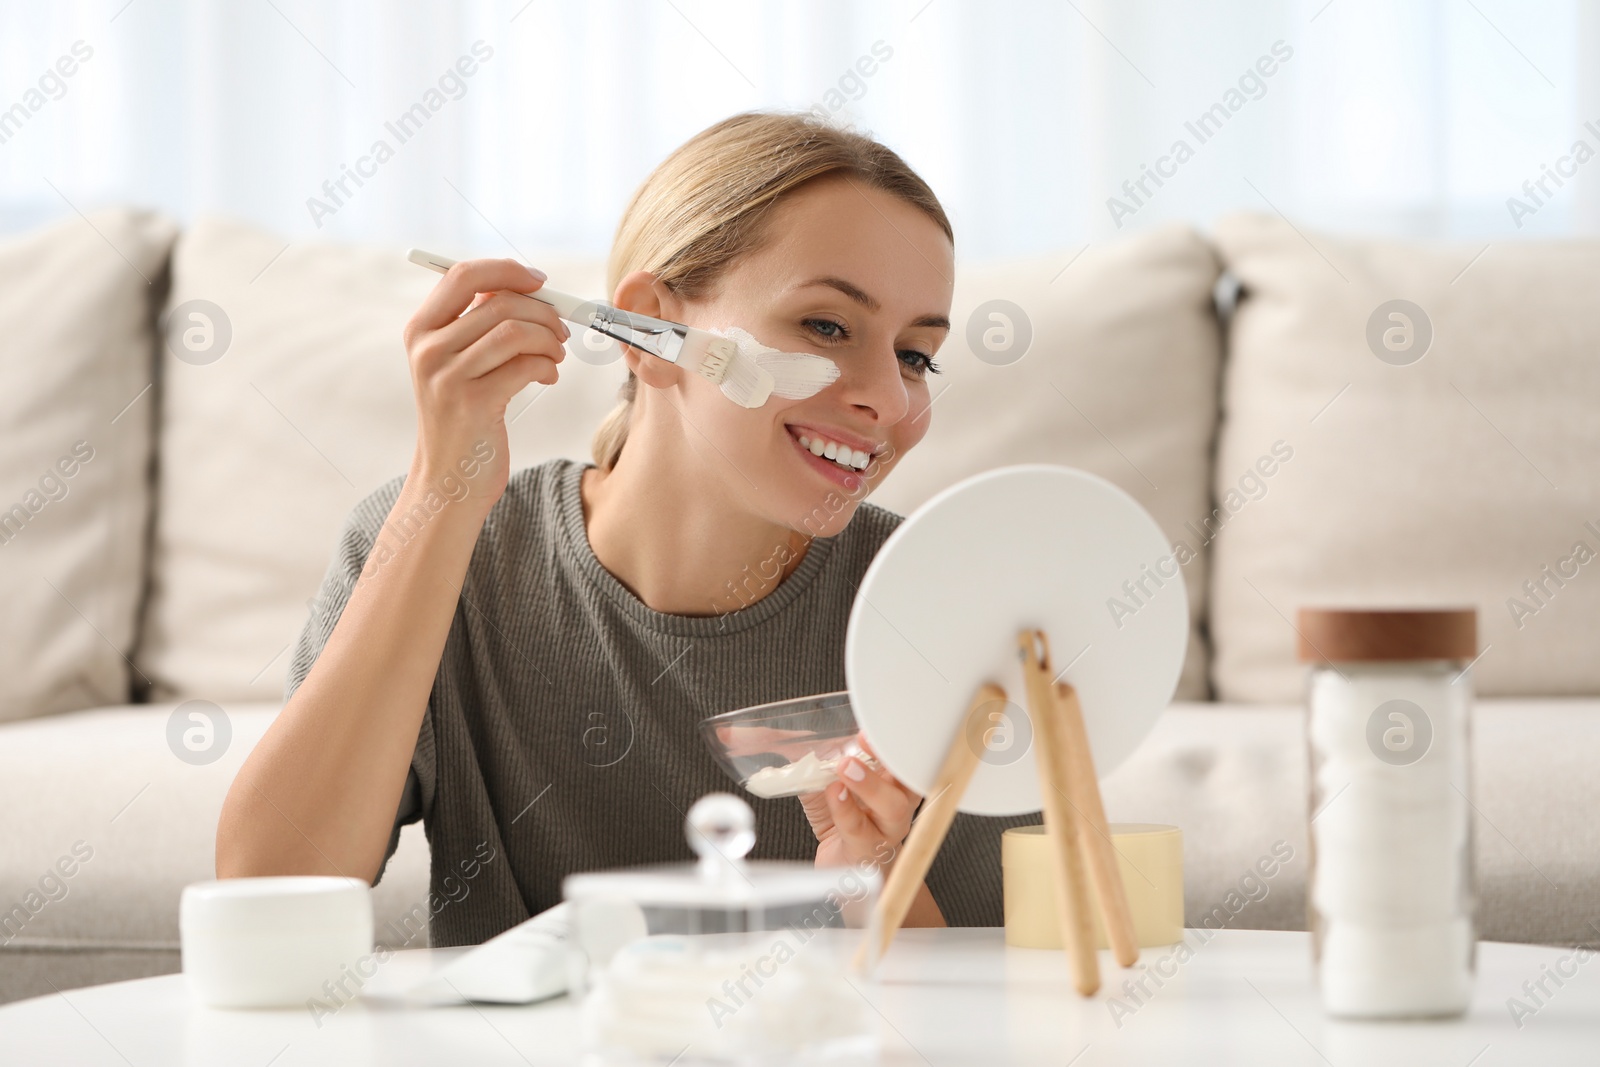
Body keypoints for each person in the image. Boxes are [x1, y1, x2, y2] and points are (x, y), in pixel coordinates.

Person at [216, 110, 1037, 946]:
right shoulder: (448, 547)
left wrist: (879, 876)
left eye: (915, 355)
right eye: (826, 326)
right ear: (650, 331)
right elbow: (270, 897)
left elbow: (1006, 993)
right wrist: (444, 491)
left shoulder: (937, 600)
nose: (890, 401)